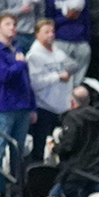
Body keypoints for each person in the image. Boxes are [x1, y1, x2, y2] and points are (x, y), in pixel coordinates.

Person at [0, 13, 34, 197]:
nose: (12, 27)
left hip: (22, 106)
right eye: (8, 24)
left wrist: (32, 106)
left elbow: (27, 81)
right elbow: (4, 75)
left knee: (18, 150)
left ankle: (16, 188)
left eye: (14, 24)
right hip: (3, 106)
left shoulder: (16, 49)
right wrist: (20, 64)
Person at [52, 84, 99, 197]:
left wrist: (55, 148)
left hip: (77, 171)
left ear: (72, 101)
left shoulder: (72, 117)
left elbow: (68, 145)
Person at [26, 18, 77, 147]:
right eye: (46, 32)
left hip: (63, 107)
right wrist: (58, 76)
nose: (51, 35)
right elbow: (34, 83)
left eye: (52, 31)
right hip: (44, 108)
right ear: (37, 34)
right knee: (41, 147)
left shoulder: (57, 51)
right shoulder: (34, 56)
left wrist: (69, 71)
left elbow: (73, 65)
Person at [44, 0, 89, 86]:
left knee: (79, 72)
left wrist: (86, 38)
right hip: (60, 40)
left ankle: (75, 93)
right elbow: (48, 21)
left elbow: (86, 20)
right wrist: (66, 17)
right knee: (62, 72)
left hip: (79, 41)